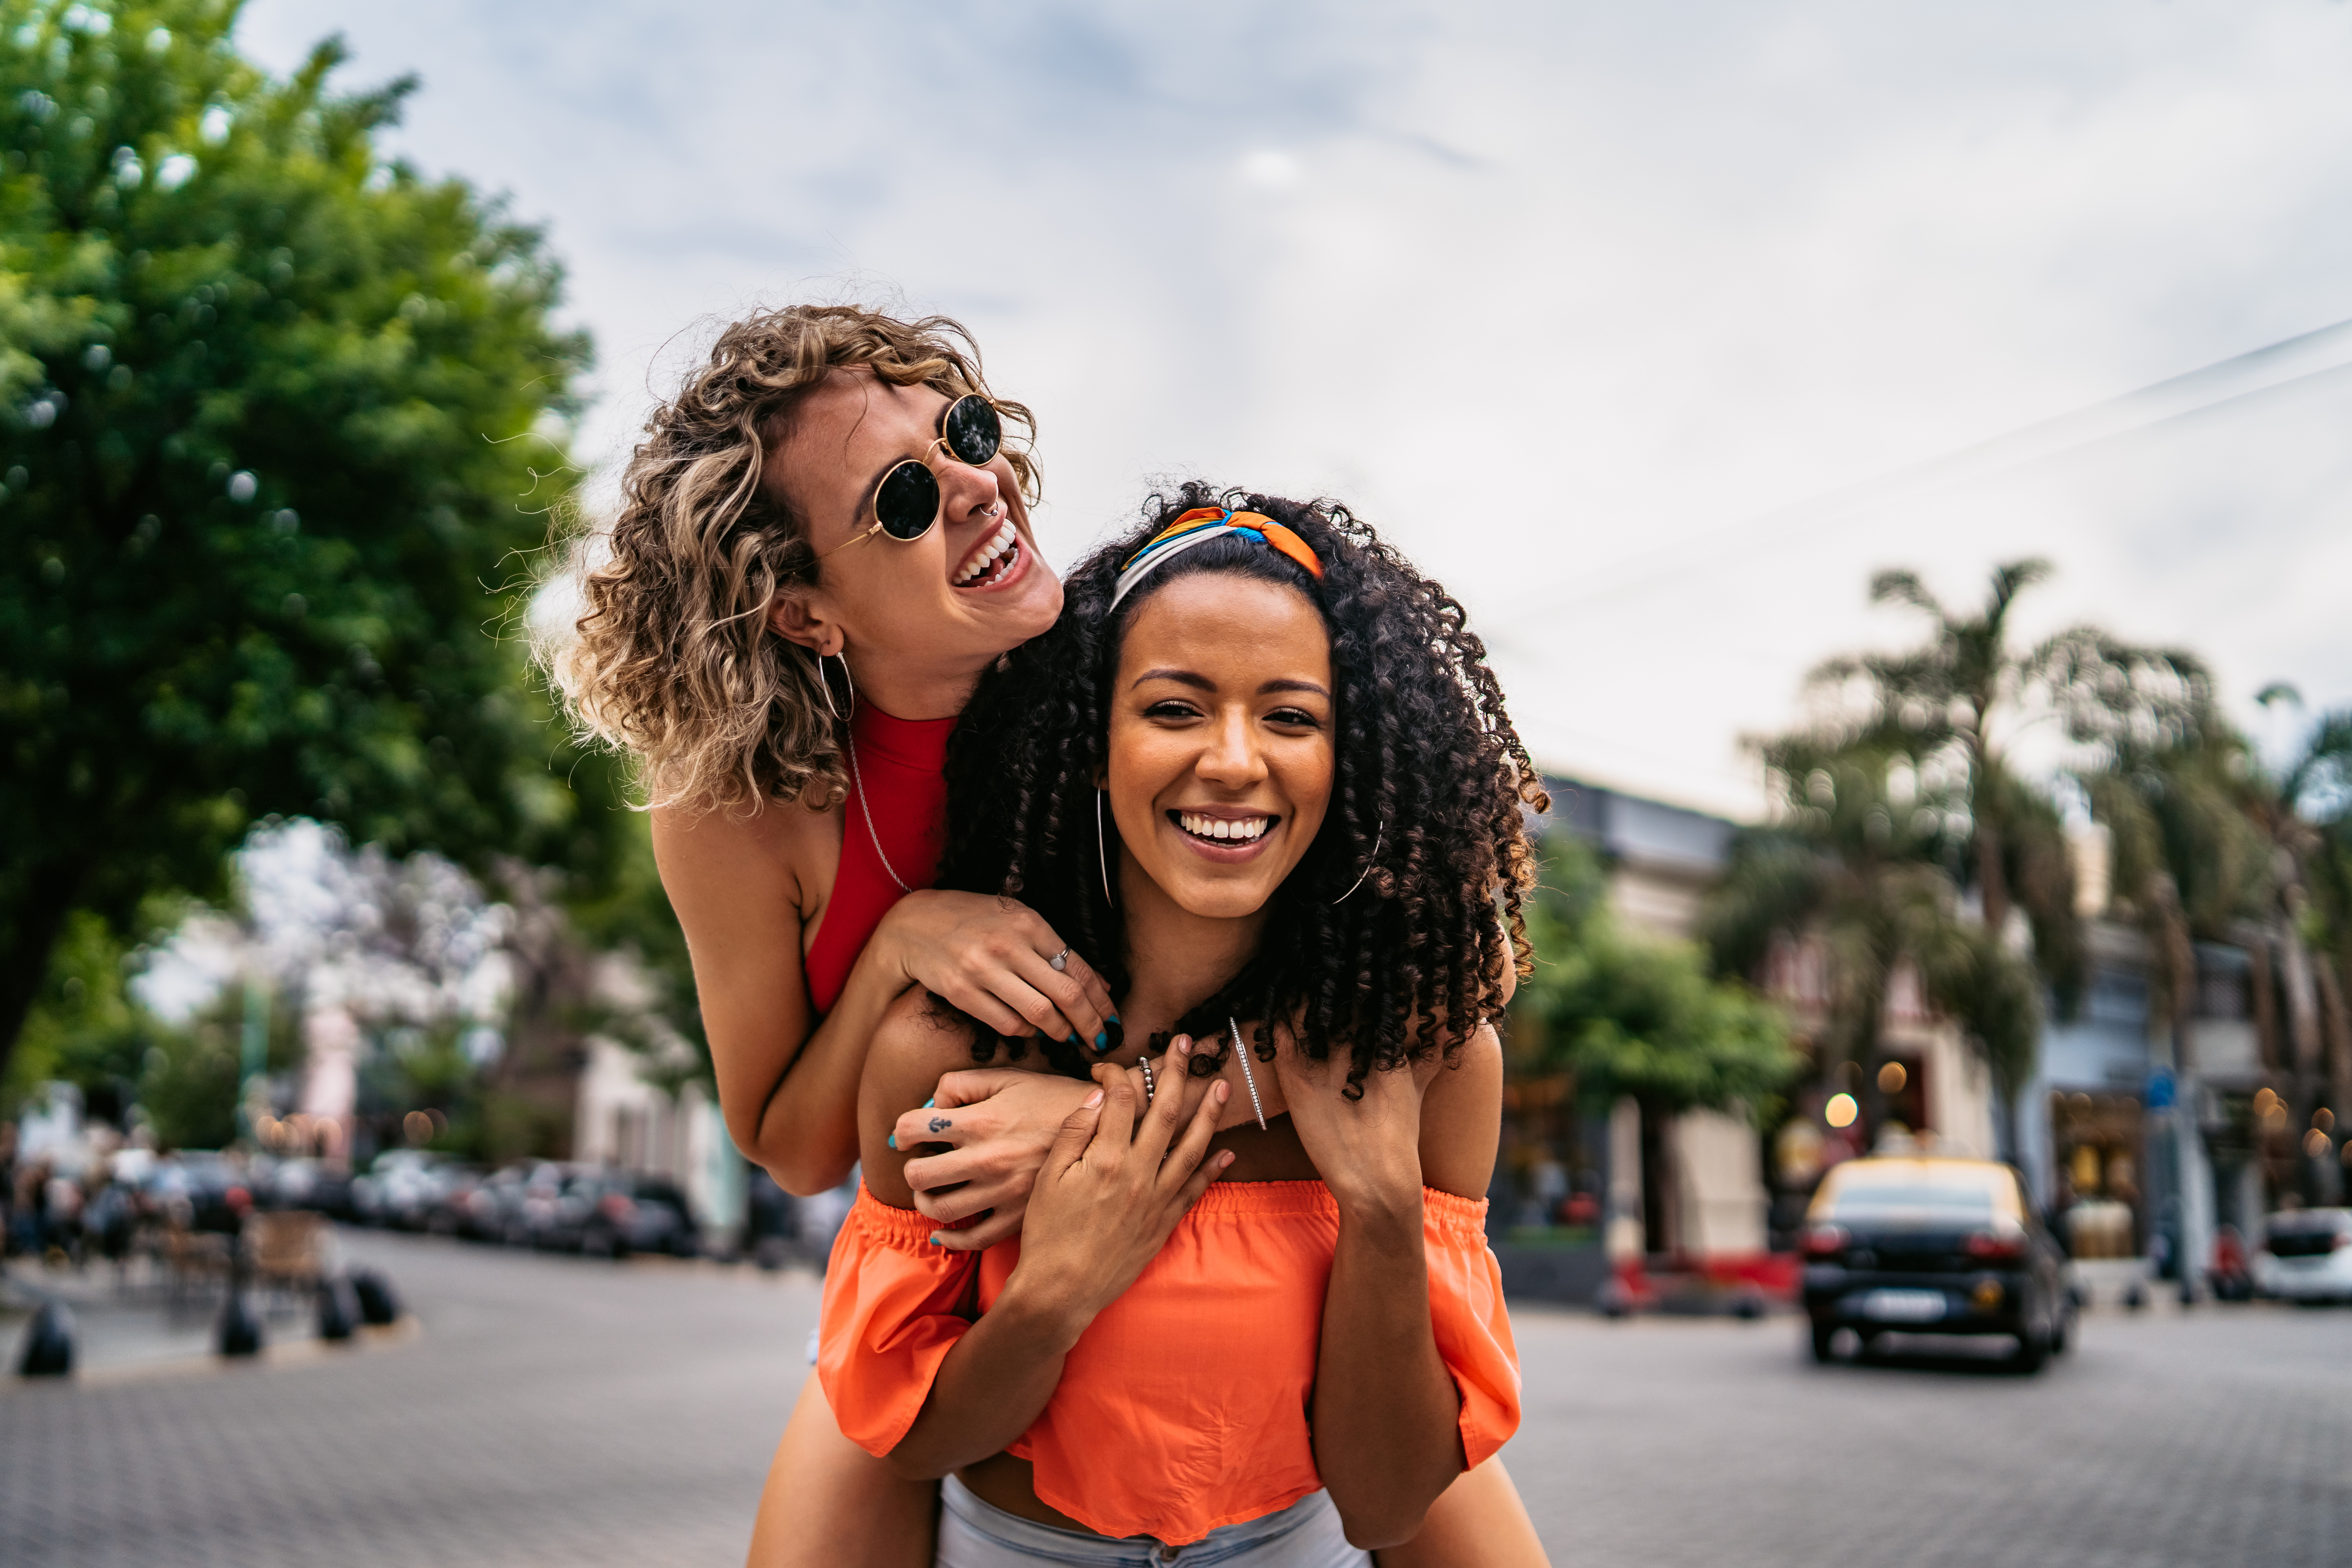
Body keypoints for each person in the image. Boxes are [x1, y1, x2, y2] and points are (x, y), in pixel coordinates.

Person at [556, 309, 1543, 1566]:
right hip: (952, 1225)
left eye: (968, 433)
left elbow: (1357, 1004)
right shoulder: (741, 807)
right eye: (905, 497)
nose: (980, 487)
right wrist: (901, 944)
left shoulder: (1097, 661)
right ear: (803, 609)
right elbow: (791, 1147)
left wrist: (1094, 1116)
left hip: (1255, 1197)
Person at [822, 488, 1550, 1565]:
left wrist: (1383, 1205)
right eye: (1175, 708)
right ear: (1092, 743)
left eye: (1291, 717)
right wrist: (1059, 1286)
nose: (1234, 762)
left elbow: (1389, 1508)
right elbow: (919, 1440)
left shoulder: (1424, 1062)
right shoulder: (949, 1050)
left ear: (1346, 761)